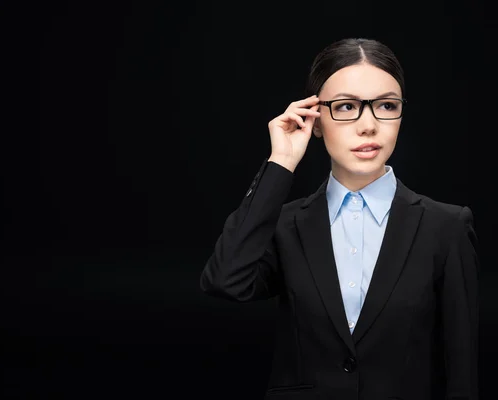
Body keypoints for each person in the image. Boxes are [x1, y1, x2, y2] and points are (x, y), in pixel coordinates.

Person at [200, 37, 480, 400]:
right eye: (346, 107)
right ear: (315, 119)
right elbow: (226, 281)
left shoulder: (446, 227)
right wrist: (280, 162)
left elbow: (460, 368)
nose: (368, 125)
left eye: (386, 106)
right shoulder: (287, 224)